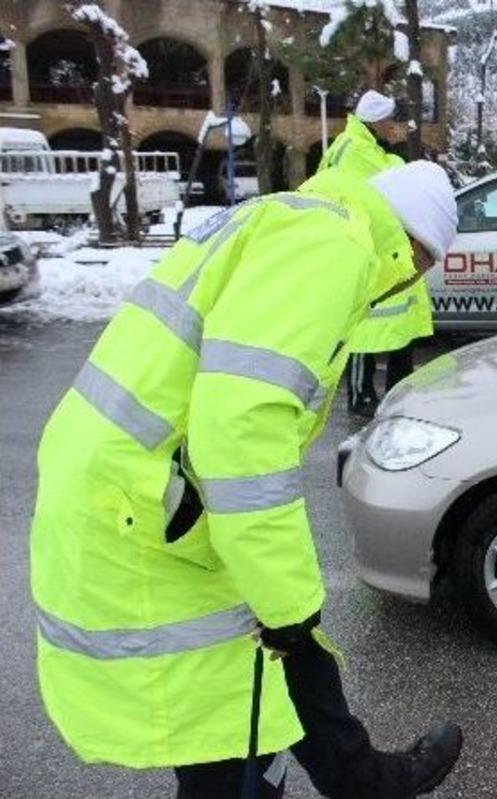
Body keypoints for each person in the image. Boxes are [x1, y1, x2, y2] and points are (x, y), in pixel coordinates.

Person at [30, 160, 464, 798]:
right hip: (151, 498)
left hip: (141, 483)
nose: (412, 278)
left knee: (264, 661)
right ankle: (356, 779)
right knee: (235, 713)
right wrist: (288, 602)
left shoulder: (293, 220)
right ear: (414, 245)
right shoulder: (333, 248)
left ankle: (360, 777)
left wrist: (288, 609)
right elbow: (241, 427)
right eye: (423, 263)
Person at [316, 90, 433, 418]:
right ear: (378, 121)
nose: (395, 126)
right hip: (368, 247)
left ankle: (396, 390)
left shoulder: (361, 147)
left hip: (385, 247)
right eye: (391, 120)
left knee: (398, 326)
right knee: (363, 327)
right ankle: (361, 395)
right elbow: (384, 184)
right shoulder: (355, 151)